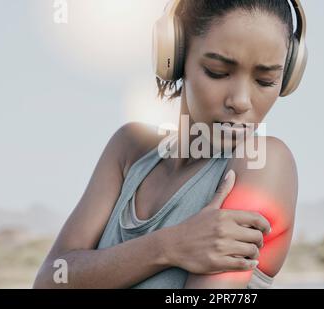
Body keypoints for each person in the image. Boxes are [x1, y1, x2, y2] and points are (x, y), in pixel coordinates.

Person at [34, 0, 305, 289]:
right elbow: (51, 278)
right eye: (217, 71)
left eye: (265, 80)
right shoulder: (128, 150)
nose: (240, 101)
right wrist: (169, 246)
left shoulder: (263, 163)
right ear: (175, 56)